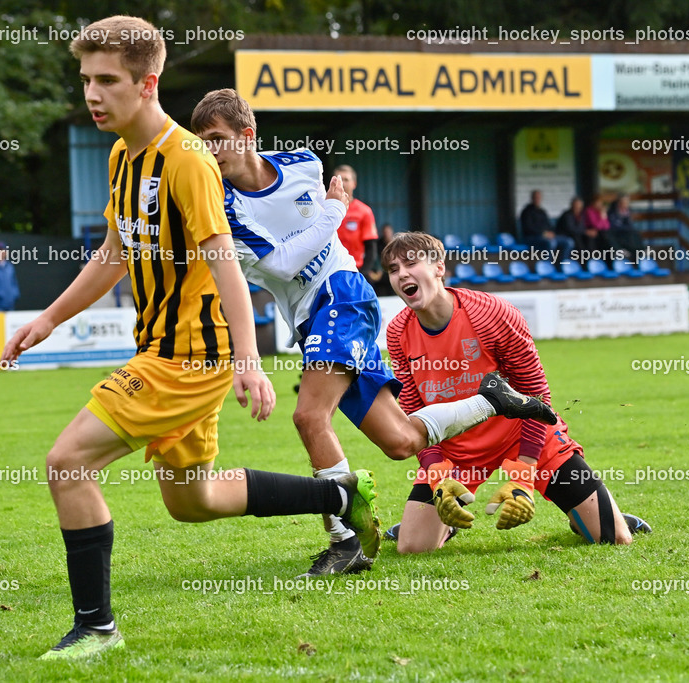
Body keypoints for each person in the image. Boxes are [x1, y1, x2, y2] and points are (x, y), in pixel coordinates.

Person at [2, 15, 382, 661]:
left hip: (187, 358)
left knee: (67, 464)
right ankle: (337, 492)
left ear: (147, 83)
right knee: (195, 502)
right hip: (161, 351)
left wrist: (248, 361)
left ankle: (96, 627)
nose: (92, 94)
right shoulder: (124, 156)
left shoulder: (187, 161)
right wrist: (49, 318)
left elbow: (226, 263)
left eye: (107, 80)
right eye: (86, 79)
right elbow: (114, 253)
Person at [190, 88, 558, 577]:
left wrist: (331, 214)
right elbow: (281, 262)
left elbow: (298, 249)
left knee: (308, 416)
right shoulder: (222, 207)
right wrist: (332, 214)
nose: (209, 151)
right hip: (307, 317)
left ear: (247, 135)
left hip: (341, 294)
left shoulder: (302, 164)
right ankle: (492, 399)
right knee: (400, 441)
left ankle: (346, 541)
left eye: (217, 138)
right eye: (201, 142)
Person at [379, 231, 651, 553]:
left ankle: (586, 517)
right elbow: (412, 410)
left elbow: (536, 395)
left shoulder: (491, 313)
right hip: (456, 450)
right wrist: (437, 473)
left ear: (439, 267)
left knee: (614, 538)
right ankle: (439, 525)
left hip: (521, 435)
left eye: (411, 263)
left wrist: (522, 475)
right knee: (412, 548)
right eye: (394, 269)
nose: (402, 274)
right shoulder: (398, 331)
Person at [332, 165, 381, 283]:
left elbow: (371, 247)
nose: (342, 183)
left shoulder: (364, 211)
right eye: (339, 179)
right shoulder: (324, 208)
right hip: (329, 271)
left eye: (346, 179)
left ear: (354, 183)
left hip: (355, 271)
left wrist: (362, 274)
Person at [520, 189, 572, 260]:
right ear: (532, 198)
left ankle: (563, 264)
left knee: (568, 242)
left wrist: (552, 233)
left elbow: (549, 226)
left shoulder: (542, 212)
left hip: (546, 236)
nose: (537, 199)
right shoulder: (526, 212)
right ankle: (547, 265)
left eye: (539, 198)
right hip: (532, 238)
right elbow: (528, 228)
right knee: (551, 242)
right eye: (536, 197)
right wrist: (543, 233)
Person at [607, 194, 644, 261]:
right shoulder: (612, 212)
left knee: (635, 233)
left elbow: (629, 225)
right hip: (616, 232)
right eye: (625, 202)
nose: (627, 204)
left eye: (627, 202)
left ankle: (641, 251)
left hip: (625, 232)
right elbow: (614, 225)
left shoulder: (627, 211)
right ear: (619, 202)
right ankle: (619, 250)